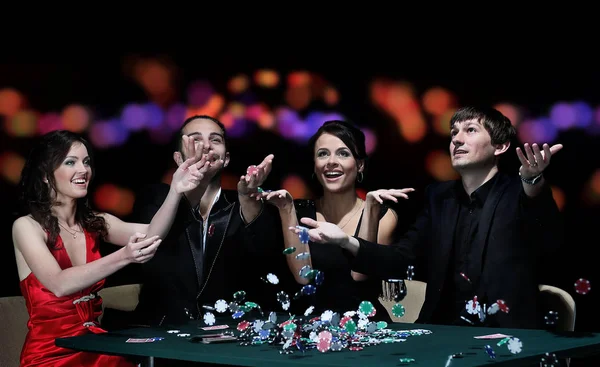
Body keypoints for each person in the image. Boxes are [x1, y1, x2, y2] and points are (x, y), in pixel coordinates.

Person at [291, 107, 564, 329]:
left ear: (501, 146)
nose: (457, 139)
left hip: (506, 333)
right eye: (454, 132)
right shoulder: (439, 198)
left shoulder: (519, 193)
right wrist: (347, 242)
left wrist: (533, 181)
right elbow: (402, 259)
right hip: (443, 330)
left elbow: (548, 235)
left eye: (470, 131)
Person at [12, 129, 210, 367]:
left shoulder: (96, 222)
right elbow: (59, 284)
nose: (83, 170)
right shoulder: (26, 227)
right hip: (51, 353)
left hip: (97, 346)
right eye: (70, 162)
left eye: (86, 162)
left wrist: (175, 190)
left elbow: (152, 234)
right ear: (45, 174)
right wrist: (124, 256)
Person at [130, 115, 286, 327]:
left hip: (229, 332)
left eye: (215, 140)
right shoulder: (156, 198)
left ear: (226, 158)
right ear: (178, 158)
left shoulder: (243, 203)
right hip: (163, 329)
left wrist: (249, 201)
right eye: (195, 140)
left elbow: (265, 259)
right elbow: (150, 249)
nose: (205, 146)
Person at [257, 120, 414, 320]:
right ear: (315, 166)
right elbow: (303, 277)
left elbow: (360, 275)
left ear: (360, 165)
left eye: (343, 153)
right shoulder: (298, 211)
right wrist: (287, 209)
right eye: (323, 154)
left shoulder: (384, 215)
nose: (331, 161)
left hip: (365, 329)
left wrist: (371, 209)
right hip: (309, 330)